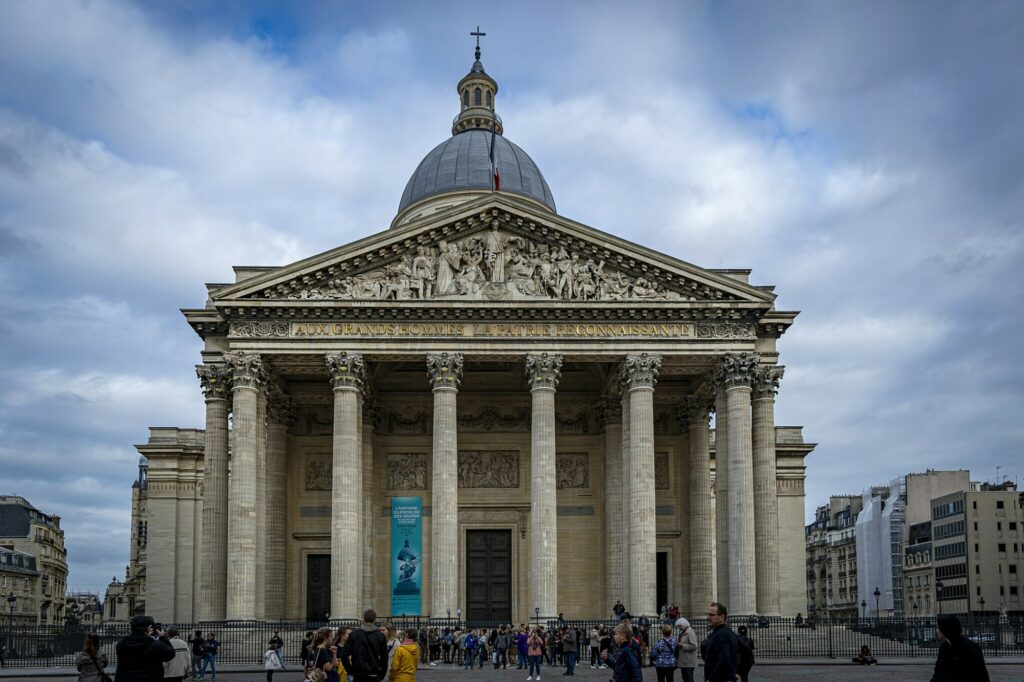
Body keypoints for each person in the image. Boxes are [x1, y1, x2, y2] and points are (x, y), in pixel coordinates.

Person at [114, 615, 175, 682]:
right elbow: (171, 654)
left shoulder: (121, 644)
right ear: (149, 628)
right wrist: (163, 637)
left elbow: (121, 667)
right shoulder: (155, 645)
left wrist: (146, 637)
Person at [930, 614, 990, 682]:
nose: (937, 630)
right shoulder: (943, 648)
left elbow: (979, 676)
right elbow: (938, 674)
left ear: (945, 629)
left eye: (938, 628)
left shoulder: (970, 648)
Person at [346, 609, 388, 682]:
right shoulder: (380, 636)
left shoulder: (354, 635)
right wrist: (382, 674)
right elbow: (384, 657)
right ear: (375, 619)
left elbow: (344, 655)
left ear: (363, 618)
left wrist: (350, 670)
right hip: (374, 673)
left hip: (358, 673)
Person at [702, 602, 738, 682]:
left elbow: (724, 661)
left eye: (711, 615)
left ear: (722, 617)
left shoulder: (722, 634)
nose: (708, 618)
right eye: (708, 614)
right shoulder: (727, 632)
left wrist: (712, 679)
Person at [674, 618, 699, 682]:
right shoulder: (683, 632)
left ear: (684, 624)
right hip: (684, 660)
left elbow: (694, 646)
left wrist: (682, 645)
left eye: (680, 626)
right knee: (685, 678)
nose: (679, 628)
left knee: (689, 678)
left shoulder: (690, 633)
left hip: (689, 661)